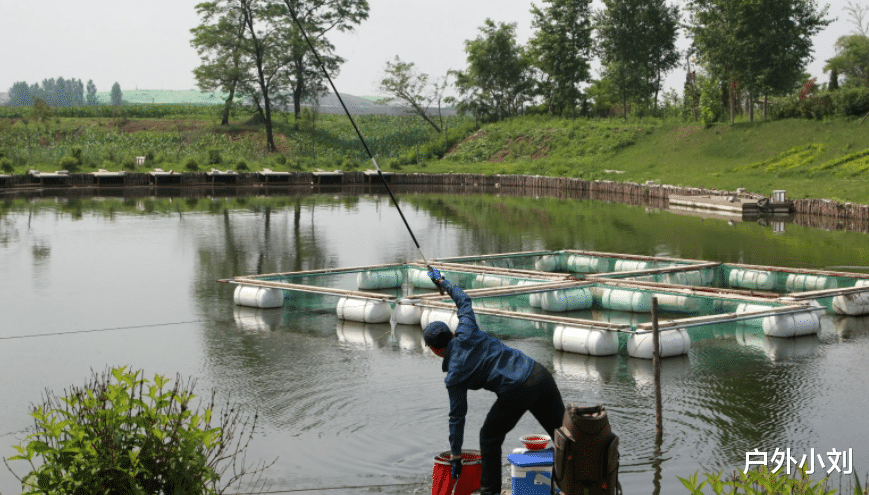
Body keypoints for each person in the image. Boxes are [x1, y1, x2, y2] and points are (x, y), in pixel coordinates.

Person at [423, 267, 566, 495]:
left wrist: (456, 455)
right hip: (539, 374)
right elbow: (463, 300)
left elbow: (457, 417)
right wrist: (442, 282)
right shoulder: (467, 328)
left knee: (489, 437)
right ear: (451, 333)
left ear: (435, 349)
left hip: (516, 390)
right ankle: (581, 484)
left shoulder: (454, 377)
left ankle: (490, 492)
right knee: (562, 437)